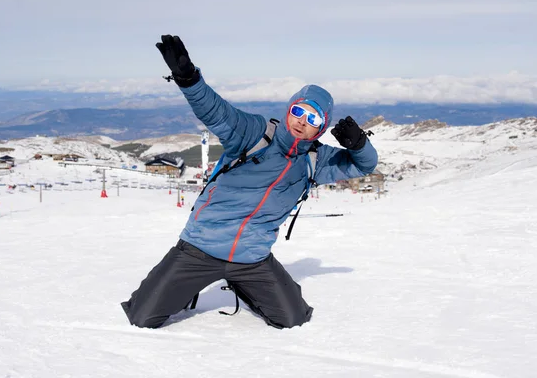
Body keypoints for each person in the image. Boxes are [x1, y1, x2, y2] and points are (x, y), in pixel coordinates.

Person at [121, 35, 378, 329]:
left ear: (321, 128)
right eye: (299, 111)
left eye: (313, 118)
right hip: (199, 248)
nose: (302, 121)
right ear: (289, 110)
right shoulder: (255, 133)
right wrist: (188, 78)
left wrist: (359, 145)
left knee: (293, 319)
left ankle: (243, 284)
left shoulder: (316, 161)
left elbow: (365, 165)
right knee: (142, 317)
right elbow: (216, 111)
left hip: (251, 257)